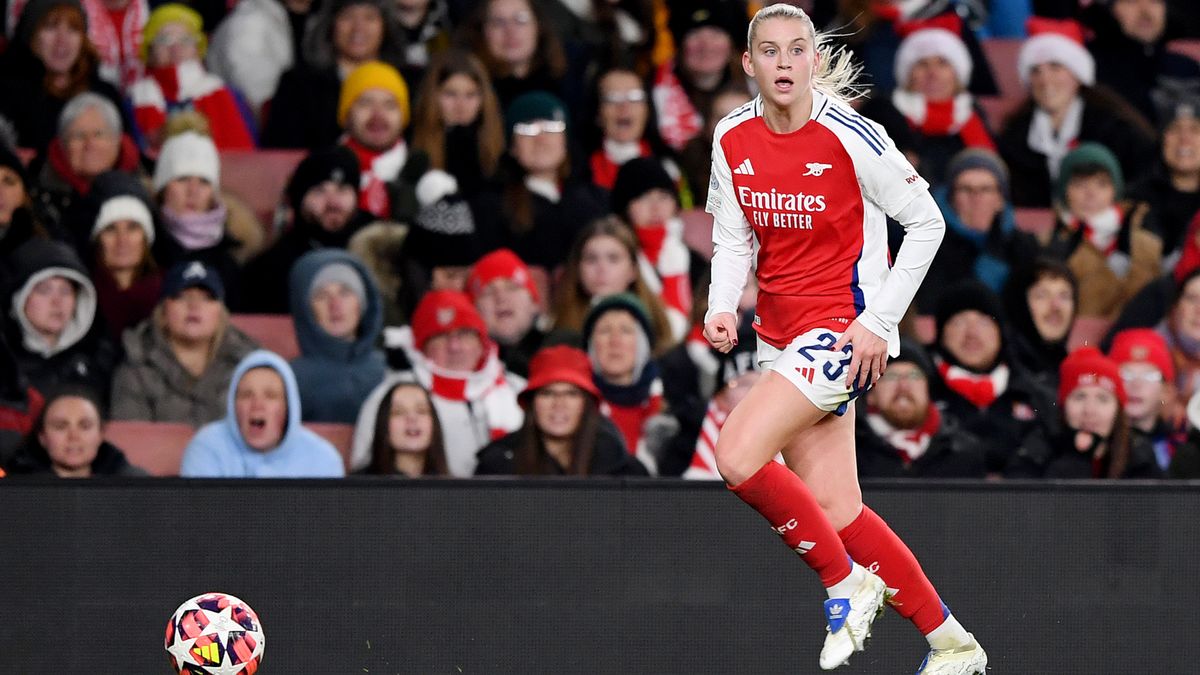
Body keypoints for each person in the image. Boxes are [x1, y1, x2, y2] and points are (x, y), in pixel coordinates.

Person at [700, 6, 985, 673]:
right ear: (749, 64)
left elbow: (929, 224)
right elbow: (733, 234)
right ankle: (952, 641)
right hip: (777, 339)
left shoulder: (853, 134)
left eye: (797, 50)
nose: (783, 63)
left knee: (737, 455)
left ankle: (846, 584)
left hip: (841, 333)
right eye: (768, 51)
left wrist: (878, 323)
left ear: (812, 60)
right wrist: (720, 305)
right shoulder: (730, 136)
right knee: (839, 509)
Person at [351, 290, 524, 475]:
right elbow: (366, 468)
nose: (454, 347)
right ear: (421, 346)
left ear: (482, 342)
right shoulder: (392, 394)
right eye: (441, 336)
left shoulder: (516, 390)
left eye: (464, 334)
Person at [997, 20, 1158, 207]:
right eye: (1035, 71)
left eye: (1055, 68)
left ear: (1077, 75)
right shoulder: (1015, 135)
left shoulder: (1117, 129)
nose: (1045, 80)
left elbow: (1145, 181)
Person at [110, 260, 257, 425]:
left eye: (207, 298)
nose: (194, 306)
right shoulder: (136, 368)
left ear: (221, 314)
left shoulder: (250, 366)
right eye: (181, 297)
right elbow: (132, 441)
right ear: (163, 312)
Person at [475, 344, 645, 476]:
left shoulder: (623, 469)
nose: (559, 404)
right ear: (531, 403)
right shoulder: (497, 466)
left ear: (587, 405)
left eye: (571, 394)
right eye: (548, 393)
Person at [858, 27, 997, 187]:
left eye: (943, 63)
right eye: (922, 64)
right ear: (908, 74)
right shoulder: (881, 111)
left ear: (957, 74)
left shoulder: (973, 115)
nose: (933, 73)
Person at [261, 0, 405, 149]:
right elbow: (280, 153)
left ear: (386, 27)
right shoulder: (297, 85)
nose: (358, 27)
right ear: (330, 25)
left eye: (370, 17)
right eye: (347, 17)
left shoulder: (409, 81)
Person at [180, 349, 346, 477]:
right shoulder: (206, 448)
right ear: (232, 405)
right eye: (246, 395)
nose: (257, 405)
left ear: (288, 407)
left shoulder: (322, 459)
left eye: (271, 396)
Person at [1043, 142, 1161, 321]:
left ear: (1115, 191)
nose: (1090, 193)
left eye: (1102, 184)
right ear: (1064, 191)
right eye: (1079, 184)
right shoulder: (1046, 242)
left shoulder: (1146, 243)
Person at [1006, 346, 1163, 479]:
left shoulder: (1139, 454)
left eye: (1102, 399)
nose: (1090, 410)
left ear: (1118, 410)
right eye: (1079, 397)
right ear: (1063, 406)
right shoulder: (1039, 447)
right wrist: (1077, 458)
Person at [914, 148, 1039, 314]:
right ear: (951, 198)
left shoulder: (1023, 246)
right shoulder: (930, 244)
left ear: (1001, 199)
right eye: (966, 189)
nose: (976, 198)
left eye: (985, 189)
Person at [150, 130, 265, 305]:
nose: (193, 191)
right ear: (163, 188)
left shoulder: (234, 256)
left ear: (214, 193)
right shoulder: (144, 250)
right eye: (182, 179)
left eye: (204, 182)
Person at [0, 0, 127, 153]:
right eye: (50, 27)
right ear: (30, 35)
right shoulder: (7, 95)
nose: (62, 40)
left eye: (73, 29)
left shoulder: (105, 94)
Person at [127, 4, 256, 152]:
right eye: (164, 40)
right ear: (150, 51)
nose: (176, 48)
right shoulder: (135, 99)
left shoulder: (226, 94)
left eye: (186, 39)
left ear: (197, 49)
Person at [855, 338, 987, 479]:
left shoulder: (964, 451)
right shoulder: (850, 450)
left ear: (928, 390)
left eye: (914, 376)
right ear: (870, 394)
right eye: (891, 376)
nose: (903, 386)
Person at [3, 238, 115, 402]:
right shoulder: (5, 366)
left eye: (66, 291)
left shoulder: (99, 360)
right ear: (20, 299)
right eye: (44, 290)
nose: (57, 301)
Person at [288, 249, 386, 423]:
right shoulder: (288, 380)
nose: (335, 305)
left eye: (345, 293)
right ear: (306, 309)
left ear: (362, 303)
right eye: (322, 296)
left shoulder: (389, 372)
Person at [551, 217, 675, 353]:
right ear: (578, 268)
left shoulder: (657, 326)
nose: (601, 268)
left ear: (633, 270)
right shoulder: (557, 329)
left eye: (613, 258)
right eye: (591, 259)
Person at [29, 92, 142, 239]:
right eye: (78, 136)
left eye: (99, 134)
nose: (90, 144)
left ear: (117, 140)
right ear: (63, 145)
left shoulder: (144, 191)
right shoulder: (37, 201)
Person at [84, 170, 161, 342]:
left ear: (146, 237)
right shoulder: (80, 299)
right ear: (97, 239)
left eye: (133, 227)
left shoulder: (170, 297)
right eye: (110, 229)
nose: (122, 240)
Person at [3, 384, 144, 476]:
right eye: (60, 426)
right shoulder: (12, 489)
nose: (74, 436)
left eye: (85, 426)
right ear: (42, 437)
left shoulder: (133, 485)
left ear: (101, 434)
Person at [466, 247, 556, 378]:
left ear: (534, 303)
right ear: (473, 310)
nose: (501, 297)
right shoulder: (462, 362)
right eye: (488, 292)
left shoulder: (562, 349)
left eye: (512, 288)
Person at [1109, 327, 1181, 472]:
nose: (1136, 384)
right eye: (1126, 375)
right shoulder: (1100, 449)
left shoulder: (1180, 448)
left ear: (1166, 391)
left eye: (1149, 376)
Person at [364, 380, 449, 476]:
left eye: (421, 411)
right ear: (383, 424)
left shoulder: (455, 489)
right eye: (398, 412)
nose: (412, 418)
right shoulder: (357, 488)